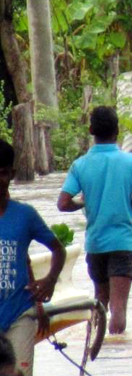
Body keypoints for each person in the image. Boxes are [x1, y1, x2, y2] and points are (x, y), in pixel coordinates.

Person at [57, 106, 132, 335]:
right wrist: (125, 204)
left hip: (96, 242)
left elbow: (63, 203)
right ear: (117, 131)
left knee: (100, 300)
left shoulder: (80, 165)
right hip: (123, 241)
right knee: (119, 307)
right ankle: (117, 357)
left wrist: (84, 202)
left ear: (91, 131)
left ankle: (96, 351)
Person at [1, 139, 66, 376]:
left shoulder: (25, 215)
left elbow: (58, 249)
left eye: (2, 174)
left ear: (11, 174)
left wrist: (48, 282)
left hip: (19, 312)